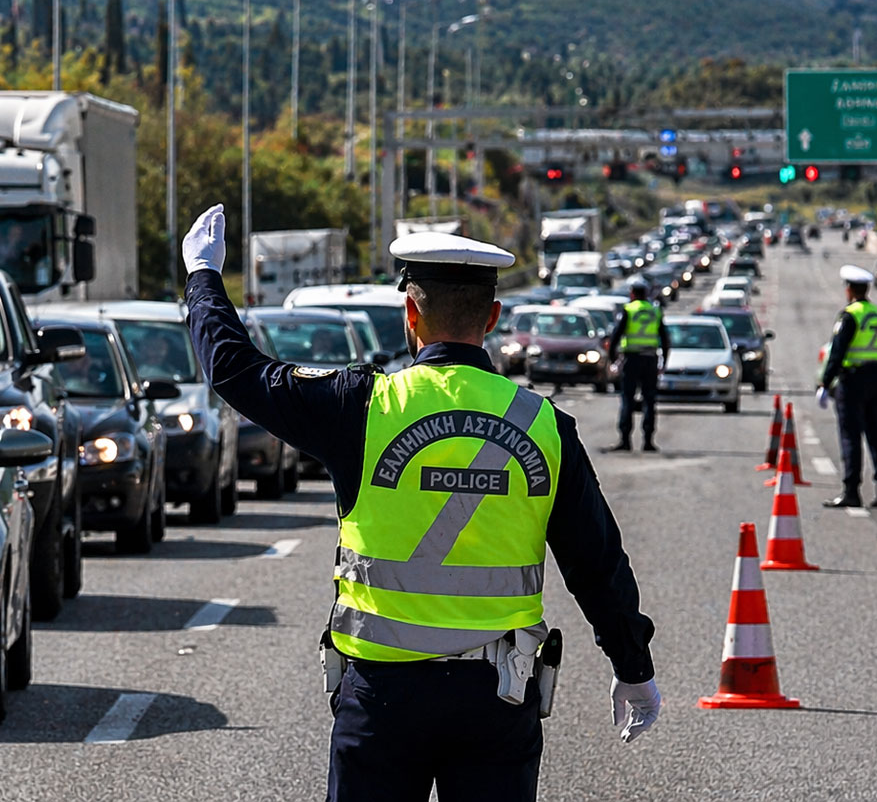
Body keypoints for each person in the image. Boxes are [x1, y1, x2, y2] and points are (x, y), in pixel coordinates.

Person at [180, 205, 659, 802]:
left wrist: (203, 277)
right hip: (497, 697)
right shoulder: (544, 426)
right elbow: (597, 564)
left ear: (410, 314)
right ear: (492, 317)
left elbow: (236, 370)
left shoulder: (363, 406)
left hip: (381, 698)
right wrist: (632, 666)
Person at [819, 264, 877, 509]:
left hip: (852, 382)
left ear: (850, 290)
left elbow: (837, 352)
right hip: (876, 382)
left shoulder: (850, 316)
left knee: (851, 436)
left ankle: (851, 490)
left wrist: (825, 382)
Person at [604, 280, 670, 452]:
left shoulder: (629, 310)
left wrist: (612, 359)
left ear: (632, 293)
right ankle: (648, 441)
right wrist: (664, 361)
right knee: (649, 400)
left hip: (631, 359)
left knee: (627, 399)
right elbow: (664, 338)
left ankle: (625, 440)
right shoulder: (655, 311)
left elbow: (616, 336)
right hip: (650, 359)